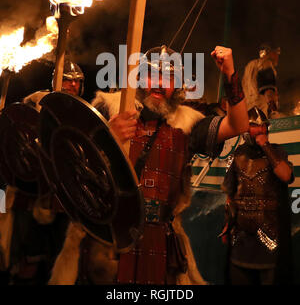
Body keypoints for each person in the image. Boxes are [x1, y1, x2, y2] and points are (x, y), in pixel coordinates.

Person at [49, 45, 249, 285]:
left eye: (169, 78)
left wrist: (229, 74)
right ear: (139, 76)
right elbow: (70, 165)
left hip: (159, 240)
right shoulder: (109, 108)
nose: (159, 84)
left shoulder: (188, 124)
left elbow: (238, 125)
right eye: (153, 74)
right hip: (107, 236)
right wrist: (106, 137)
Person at [0, 59, 84, 285]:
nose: (72, 85)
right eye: (67, 80)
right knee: (27, 259)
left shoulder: (82, 116)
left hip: (65, 198)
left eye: (77, 82)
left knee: (56, 260)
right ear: (56, 81)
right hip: (31, 192)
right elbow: (18, 144)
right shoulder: (34, 105)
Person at [221, 106, 294, 285]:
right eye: (255, 126)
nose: (261, 130)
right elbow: (230, 195)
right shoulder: (237, 155)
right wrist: (226, 225)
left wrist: (266, 146)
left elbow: (286, 176)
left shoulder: (277, 153)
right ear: (246, 128)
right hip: (241, 236)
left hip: (268, 234)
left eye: (264, 126)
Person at [242, 43, 281, 118]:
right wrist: (273, 109)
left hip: (248, 109)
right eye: (277, 52)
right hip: (260, 109)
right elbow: (267, 88)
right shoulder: (266, 63)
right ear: (269, 52)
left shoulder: (250, 65)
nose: (277, 55)